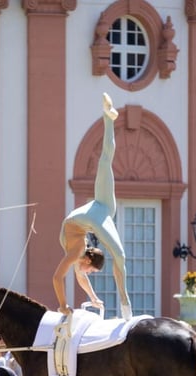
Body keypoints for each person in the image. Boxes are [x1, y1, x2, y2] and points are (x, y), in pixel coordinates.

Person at [53, 92, 132, 320]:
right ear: (88, 260)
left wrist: (91, 298)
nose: (88, 272)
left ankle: (109, 118)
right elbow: (67, 277)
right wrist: (63, 304)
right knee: (120, 256)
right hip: (98, 214)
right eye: (91, 270)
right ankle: (125, 305)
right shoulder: (78, 251)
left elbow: (73, 276)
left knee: (105, 161)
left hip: (98, 209)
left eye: (91, 271)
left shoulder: (78, 252)